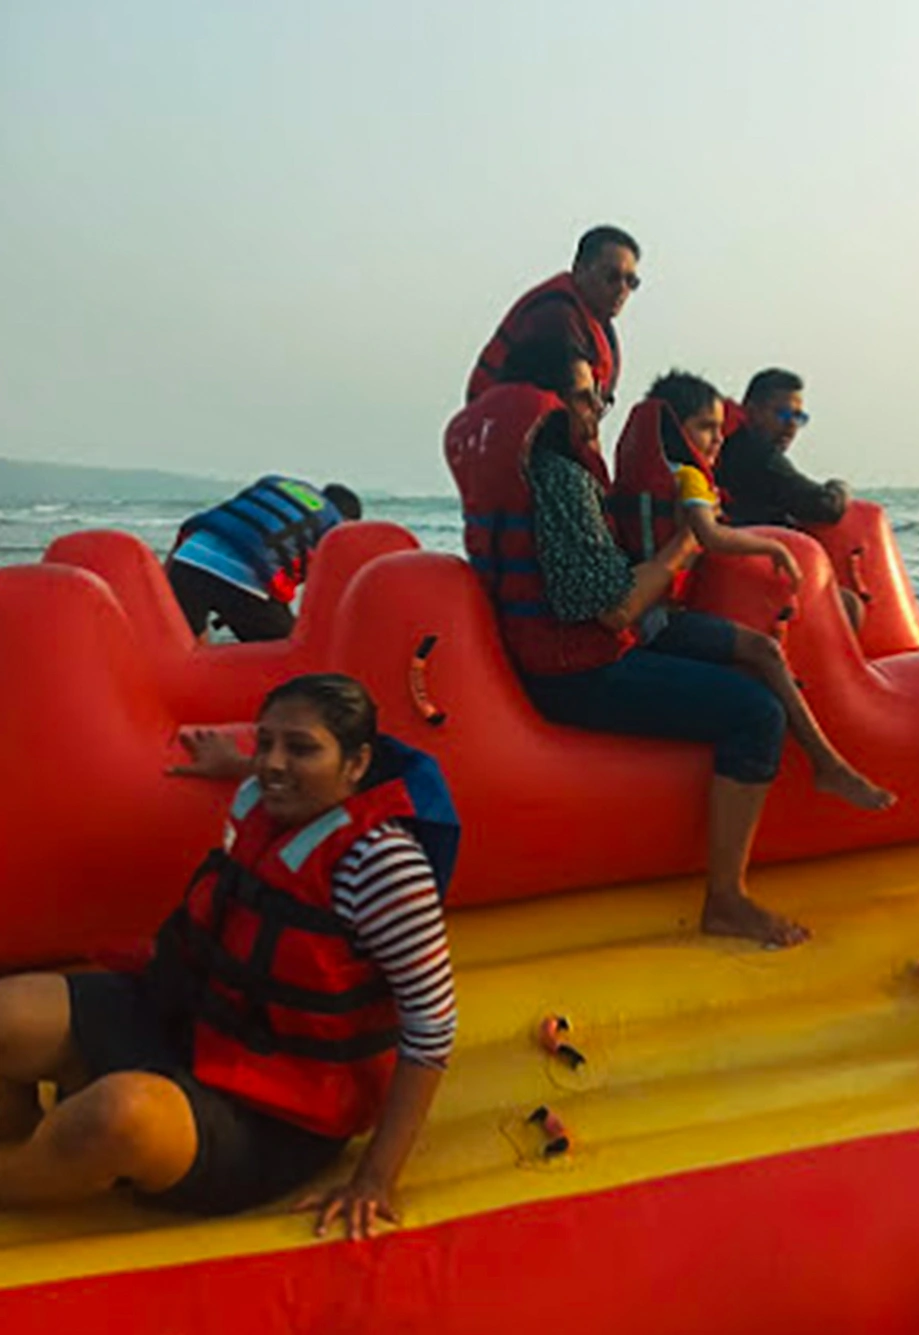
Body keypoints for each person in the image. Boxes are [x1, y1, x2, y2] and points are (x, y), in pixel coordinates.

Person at [0, 673, 459, 1238]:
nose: (272, 763)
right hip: (187, 1022)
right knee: (8, 1013)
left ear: (358, 764)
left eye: (301, 748)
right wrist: (234, 760)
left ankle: (17, 1181)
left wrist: (375, 1178)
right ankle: (25, 1136)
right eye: (264, 742)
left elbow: (432, 1026)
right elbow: (271, 774)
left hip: (275, 1114)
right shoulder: (258, 801)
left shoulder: (383, 867)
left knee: (117, 1119)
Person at [449, 339, 806, 949]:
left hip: (551, 658)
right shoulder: (560, 480)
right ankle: (727, 899)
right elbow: (614, 607)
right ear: (548, 405)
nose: (596, 410)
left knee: (747, 659)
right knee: (757, 714)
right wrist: (684, 548)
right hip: (578, 675)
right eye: (586, 397)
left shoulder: (522, 475)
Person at [626, 370, 892, 812]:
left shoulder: (643, 473)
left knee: (763, 652)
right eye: (707, 428)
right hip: (657, 624)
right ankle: (827, 762)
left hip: (649, 618)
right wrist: (772, 547)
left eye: (798, 416)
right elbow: (711, 537)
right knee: (765, 652)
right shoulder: (692, 477)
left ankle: (828, 758)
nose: (717, 439)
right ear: (676, 428)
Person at [716, 369, 864, 632]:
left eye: (798, 416)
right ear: (752, 410)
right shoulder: (758, 454)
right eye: (783, 414)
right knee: (849, 606)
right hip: (749, 578)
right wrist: (839, 488)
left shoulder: (725, 444)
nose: (791, 425)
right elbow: (822, 506)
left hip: (729, 574)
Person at [167, 476, 363, 642]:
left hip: (187, 558)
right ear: (347, 522)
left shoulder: (280, 486)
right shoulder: (332, 525)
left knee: (188, 645)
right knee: (289, 651)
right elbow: (321, 593)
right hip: (243, 577)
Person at [465, 225, 640, 407]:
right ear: (579, 270)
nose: (622, 289)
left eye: (631, 281)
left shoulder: (599, 325)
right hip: (500, 422)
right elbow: (581, 398)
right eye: (612, 276)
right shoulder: (555, 314)